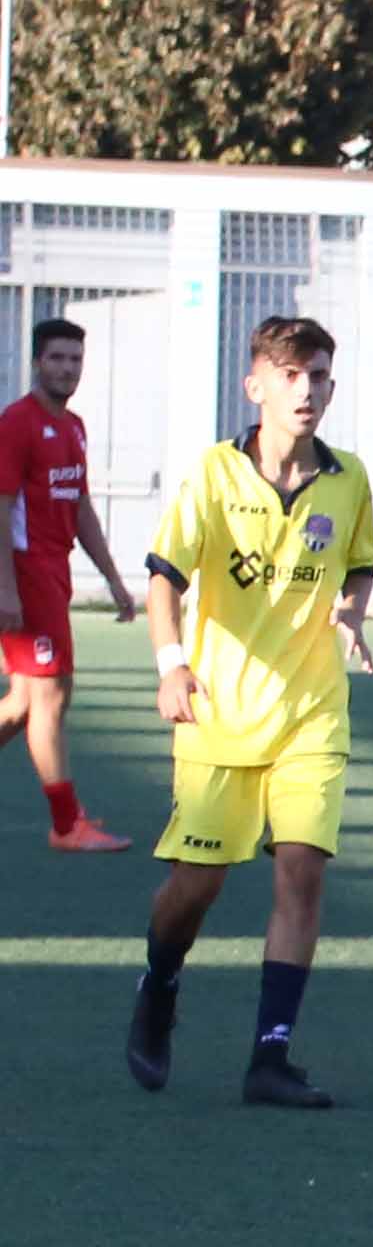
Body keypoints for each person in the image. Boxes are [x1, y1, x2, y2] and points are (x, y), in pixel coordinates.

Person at [133, 315, 373, 1109]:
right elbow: (165, 579)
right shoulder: (212, 474)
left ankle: (269, 1057)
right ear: (257, 386)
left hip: (311, 712)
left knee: (301, 871)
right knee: (194, 887)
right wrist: (173, 665)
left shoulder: (349, 479)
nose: (308, 390)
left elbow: (362, 567)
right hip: (218, 712)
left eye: (320, 377)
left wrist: (350, 613)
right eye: (293, 375)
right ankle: (161, 982)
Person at [0, 316, 142, 852]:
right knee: (49, 697)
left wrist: (113, 579)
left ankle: (67, 819)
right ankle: (66, 825)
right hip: (24, 574)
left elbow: (78, 506)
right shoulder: (16, 423)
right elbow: (1, 507)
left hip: (50, 575)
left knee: (23, 701)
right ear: (37, 362)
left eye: (75, 360)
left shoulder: (73, 427)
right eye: (57, 358)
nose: (67, 368)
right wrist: (6, 589)